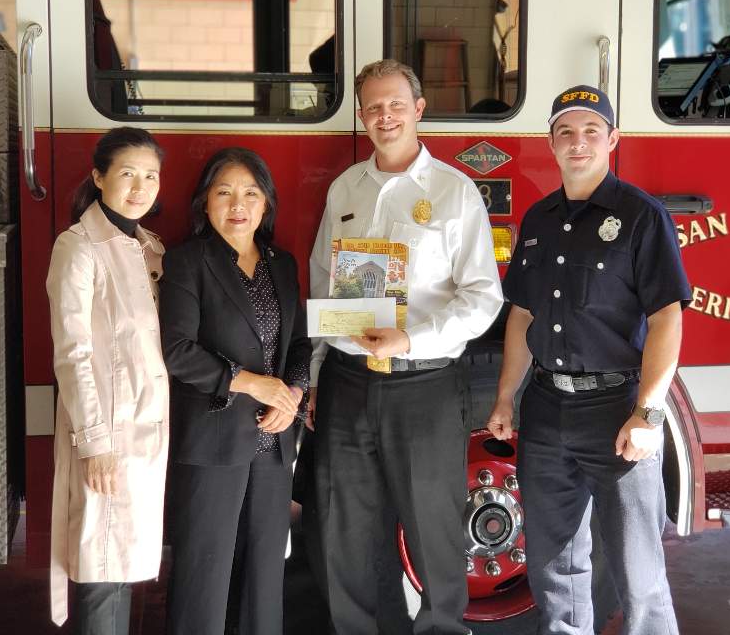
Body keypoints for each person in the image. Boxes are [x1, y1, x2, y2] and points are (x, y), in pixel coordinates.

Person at [308, 58, 503, 635]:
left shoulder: (454, 191)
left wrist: (410, 337)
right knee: (345, 529)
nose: (385, 116)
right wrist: (315, 376)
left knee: (432, 528)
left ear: (418, 109)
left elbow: (483, 298)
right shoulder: (345, 188)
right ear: (361, 115)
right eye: (373, 107)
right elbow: (322, 283)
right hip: (347, 381)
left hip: (424, 384)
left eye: (396, 104)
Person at [486, 85, 690, 635]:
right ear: (551, 143)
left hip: (616, 410)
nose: (578, 142)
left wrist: (648, 413)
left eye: (591, 131)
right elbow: (522, 315)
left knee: (637, 572)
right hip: (545, 408)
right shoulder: (538, 220)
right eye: (566, 132)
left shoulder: (642, 217)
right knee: (554, 567)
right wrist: (505, 397)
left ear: (612, 139)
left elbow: (667, 318)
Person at [160, 148, 311, 635]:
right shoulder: (187, 261)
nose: (237, 204)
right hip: (212, 439)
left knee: (264, 576)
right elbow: (177, 350)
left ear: (266, 202)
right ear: (205, 202)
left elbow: (300, 345)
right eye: (224, 192)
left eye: (250, 193)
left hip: (273, 443)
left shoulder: (282, 264)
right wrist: (251, 383)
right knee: (203, 575)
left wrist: (293, 394)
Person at [46, 127, 167, 633]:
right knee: (103, 566)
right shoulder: (78, 248)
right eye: (127, 174)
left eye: (151, 176)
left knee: (126, 562)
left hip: (145, 431)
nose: (140, 188)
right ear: (98, 177)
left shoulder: (149, 247)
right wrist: (95, 443)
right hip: (105, 433)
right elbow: (72, 354)